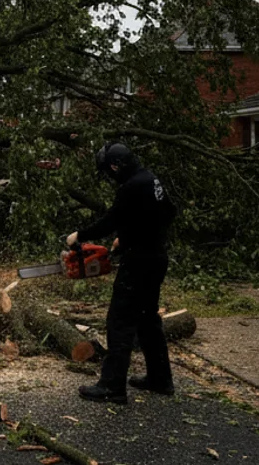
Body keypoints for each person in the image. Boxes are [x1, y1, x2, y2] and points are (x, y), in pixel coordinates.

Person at [66, 142, 176, 404]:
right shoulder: (150, 179)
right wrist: (126, 239)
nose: (109, 176)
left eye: (108, 171)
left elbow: (111, 220)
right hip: (156, 258)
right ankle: (161, 379)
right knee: (148, 320)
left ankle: (112, 386)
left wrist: (79, 235)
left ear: (115, 166)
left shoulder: (130, 187)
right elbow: (168, 213)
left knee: (120, 322)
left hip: (138, 263)